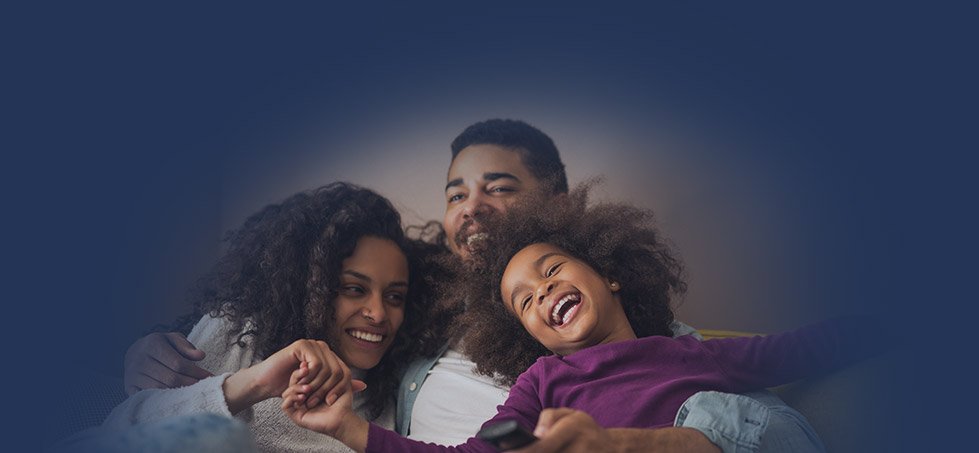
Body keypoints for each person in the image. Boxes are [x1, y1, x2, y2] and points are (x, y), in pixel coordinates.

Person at [123, 119, 825, 452]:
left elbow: (758, 418)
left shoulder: (623, 332)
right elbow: (273, 317)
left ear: (556, 204)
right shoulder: (398, 301)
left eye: (498, 187)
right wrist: (150, 354)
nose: (470, 206)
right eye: (455, 192)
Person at [276, 184, 887, 453]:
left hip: (732, 439)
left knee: (712, 409)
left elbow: (805, 348)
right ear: (528, 333)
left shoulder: (685, 353)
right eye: (523, 302)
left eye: (550, 272)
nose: (541, 295)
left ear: (609, 272)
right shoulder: (542, 385)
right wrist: (348, 431)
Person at [98, 182, 442, 453]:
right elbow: (120, 434)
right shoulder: (239, 334)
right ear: (312, 286)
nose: (379, 313)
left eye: (395, 296)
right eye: (354, 289)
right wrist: (256, 383)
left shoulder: (385, 402)